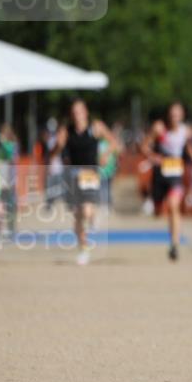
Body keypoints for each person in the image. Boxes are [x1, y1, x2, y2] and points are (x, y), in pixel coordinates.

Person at [54, 99, 117, 265]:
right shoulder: (66, 131)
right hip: (72, 175)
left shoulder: (96, 127)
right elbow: (54, 152)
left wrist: (105, 155)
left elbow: (114, 142)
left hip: (90, 174)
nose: (77, 115)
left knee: (87, 210)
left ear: (86, 112)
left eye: (80, 111)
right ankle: (83, 249)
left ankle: (93, 217)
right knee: (77, 216)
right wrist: (59, 146)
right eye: (74, 112)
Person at [142, 102, 192, 261]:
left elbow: (190, 151)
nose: (175, 117)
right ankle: (154, 203)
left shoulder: (186, 131)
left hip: (175, 175)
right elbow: (144, 145)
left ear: (182, 116)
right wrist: (153, 157)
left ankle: (174, 244)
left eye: (178, 114)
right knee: (158, 212)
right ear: (168, 115)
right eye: (172, 114)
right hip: (159, 175)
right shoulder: (159, 128)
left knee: (173, 206)